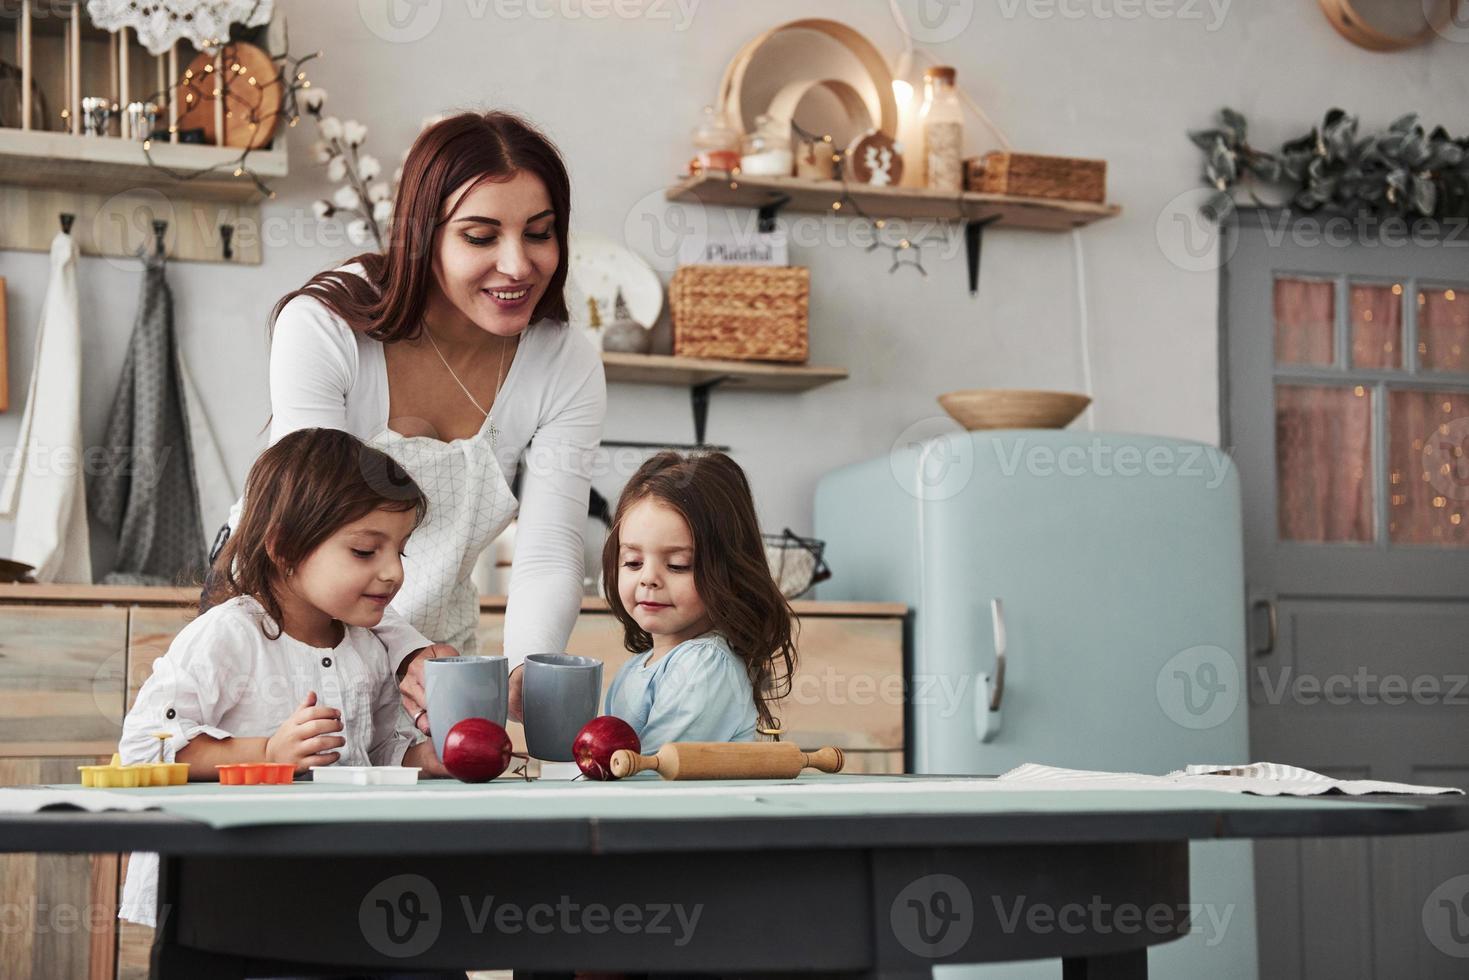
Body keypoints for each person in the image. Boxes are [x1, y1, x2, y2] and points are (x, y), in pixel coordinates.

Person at [231, 110, 605, 734]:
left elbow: (546, 551)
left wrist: (521, 671)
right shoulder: (326, 327)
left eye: (539, 233)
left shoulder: (564, 363)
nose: (517, 265)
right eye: (480, 236)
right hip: (290, 631)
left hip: (436, 652)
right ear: (422, 236)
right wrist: (404, 649)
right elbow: (306, 533)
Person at [118, 427, 450, 929]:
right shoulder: (230, 635)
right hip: (231, 899)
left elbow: (381, 750)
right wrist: (266, 755)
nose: (393, 573)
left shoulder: (368, 646)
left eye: (399, 551)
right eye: (365, 551)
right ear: (285, 549)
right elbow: (145, 747)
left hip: (339, 890)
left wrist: (430, 757)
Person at [600, 451, 798, 750]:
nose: (648, 578)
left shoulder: (706, 665)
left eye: (678, 564)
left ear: (728, 572)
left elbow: (652, 773)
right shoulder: (636, 669)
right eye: (632, 562)